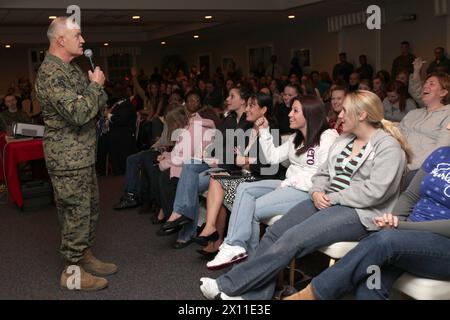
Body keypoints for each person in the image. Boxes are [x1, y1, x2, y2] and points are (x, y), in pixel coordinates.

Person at [199, 90, 411, 300]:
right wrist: (317, 190)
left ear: (362, 114)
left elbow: (374, 192)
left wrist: (331, 197)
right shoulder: (345, 140)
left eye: (345, 110)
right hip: (326, 200)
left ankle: (227, 284)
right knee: (274, 232)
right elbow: (322, 173)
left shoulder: (388, 147)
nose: (339, 115)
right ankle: (255, 295)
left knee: (292, 238)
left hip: (359, 212)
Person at [285, 126, 450, 300]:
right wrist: (395, 220)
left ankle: (314, 293)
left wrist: (400, 226)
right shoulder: (440, 154)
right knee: (371, 283)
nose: (448, 127)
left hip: (440, 244)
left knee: (385, 241)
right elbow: (410, 195)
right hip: (407, 238)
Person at [205, 96, 338, 270]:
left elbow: (324, 175)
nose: (289, 114)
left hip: (308, 191)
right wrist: (266, 132)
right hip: (289, 185)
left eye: (295, 110)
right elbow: (272, 157)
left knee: (250, 208)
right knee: (244, 189)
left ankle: (248, 265)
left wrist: (291, 183)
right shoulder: (296, 138)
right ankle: (234, 246)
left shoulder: (327, 136)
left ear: (310, 114)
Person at [35, 17, 115, 291]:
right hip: (67, 158)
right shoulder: (51, 73)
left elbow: (100, 103)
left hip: (82, 155)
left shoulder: (71, 70)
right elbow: (80, 113)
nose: (83, 41)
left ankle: (85, 257)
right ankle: (71, 272)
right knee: (75, 214)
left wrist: (93, 90)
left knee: (89, 211)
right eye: (78, 35)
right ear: (60, 40)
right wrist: (94, 87)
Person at [401, 70, 450, 185]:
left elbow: (441, 149)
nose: (425, 86)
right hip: (396, 161)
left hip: (421, 168)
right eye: (426, 83)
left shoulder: (448, 114)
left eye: (431, 84)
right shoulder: (413, 113)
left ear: (443, 92)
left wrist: (409, 166)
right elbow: (395, 136)